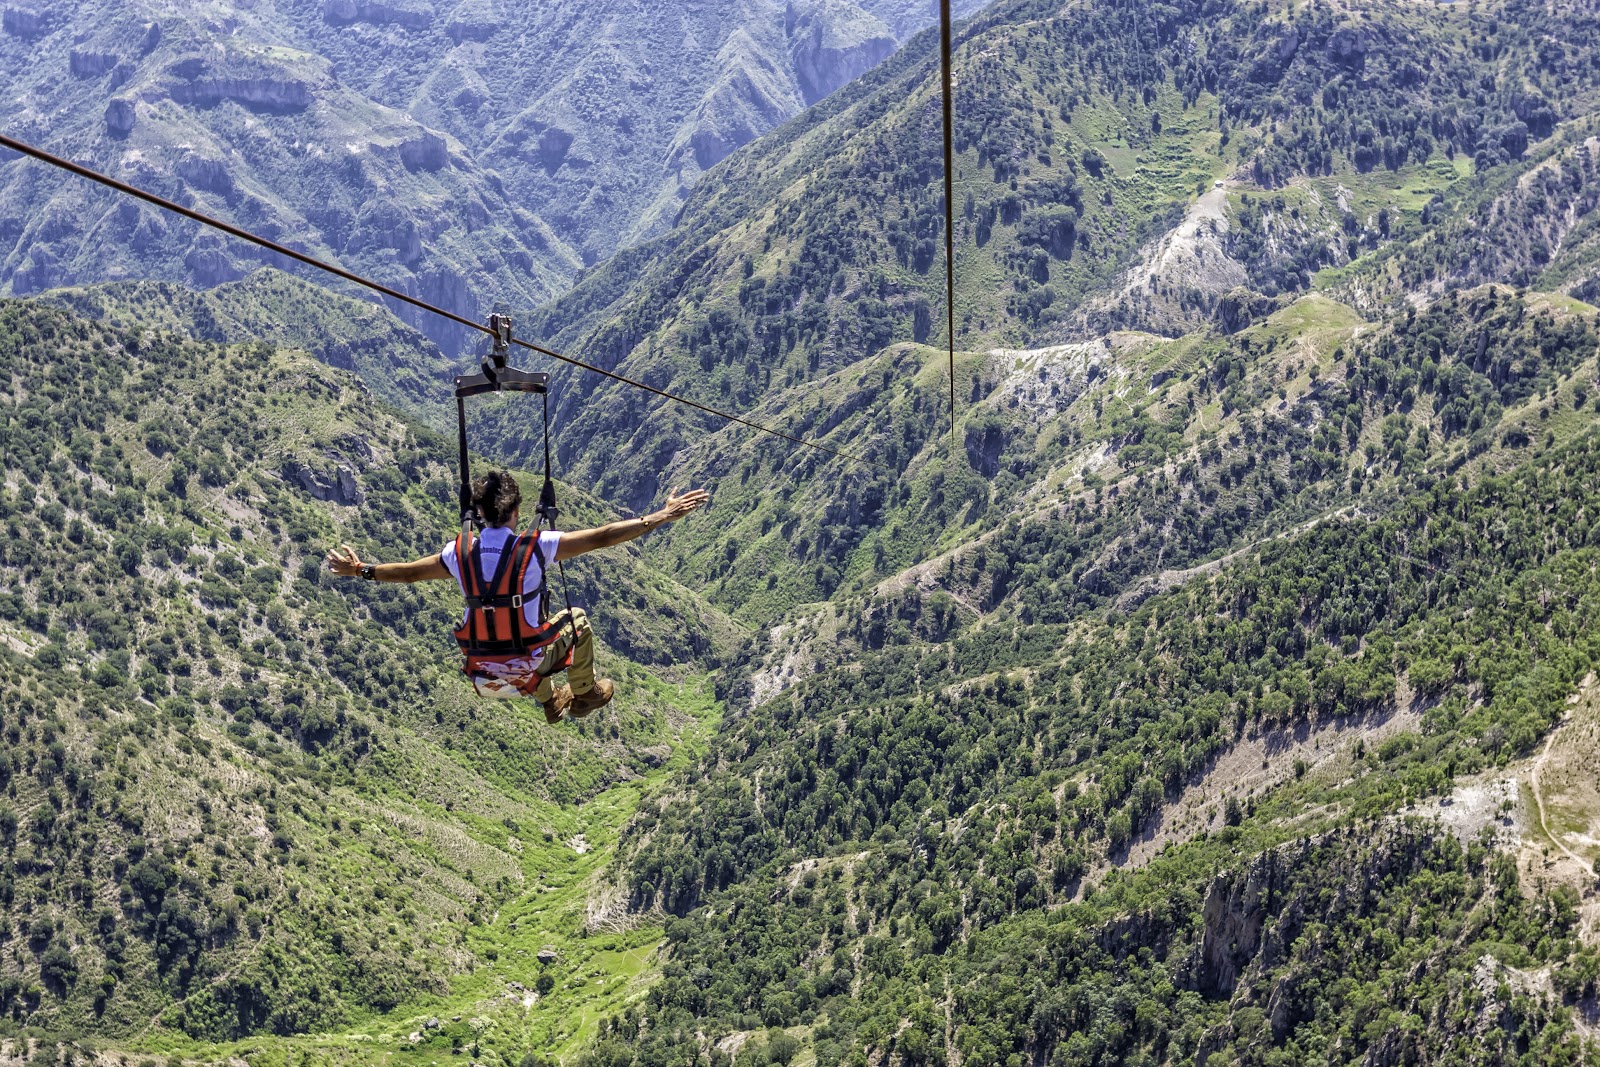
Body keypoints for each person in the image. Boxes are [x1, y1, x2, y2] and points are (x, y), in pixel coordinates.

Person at [325, 471, 709, 723]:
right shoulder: (537, 547)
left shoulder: (457, 554)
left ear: (477, 513)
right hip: (528, 659)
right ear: (517, 511)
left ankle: (549, 701)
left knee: (517, 641)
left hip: (485, 667)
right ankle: (584, 694)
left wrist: (360, 570)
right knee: (576, 620)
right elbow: (604, 535)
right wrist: (661, 516)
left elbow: (408, 573)